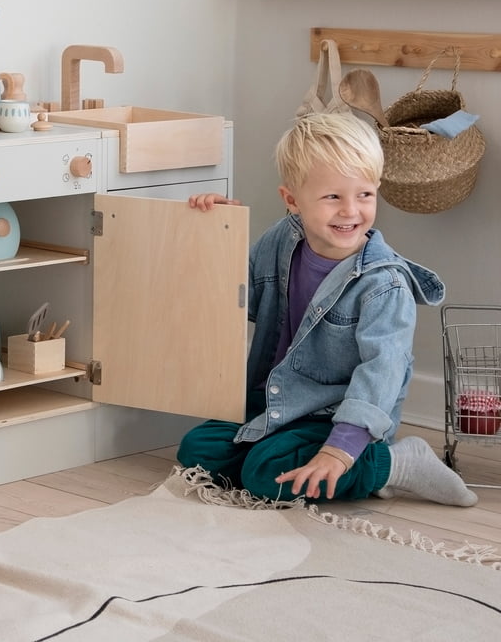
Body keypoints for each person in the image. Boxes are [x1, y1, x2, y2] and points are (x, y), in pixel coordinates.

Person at [177, 112, 477, 507]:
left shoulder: (383, 285)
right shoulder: (280, 241)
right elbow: (233, 301)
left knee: (265, 474)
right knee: (197, 451)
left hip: (335, 417)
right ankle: (293, 453)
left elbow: (381, 374)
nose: (350, 211)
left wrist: (339, 451)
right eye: (333, 196)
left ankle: (392, 463)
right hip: (277, 399)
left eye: (364, 194)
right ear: (292, 201)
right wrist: (217, 233)